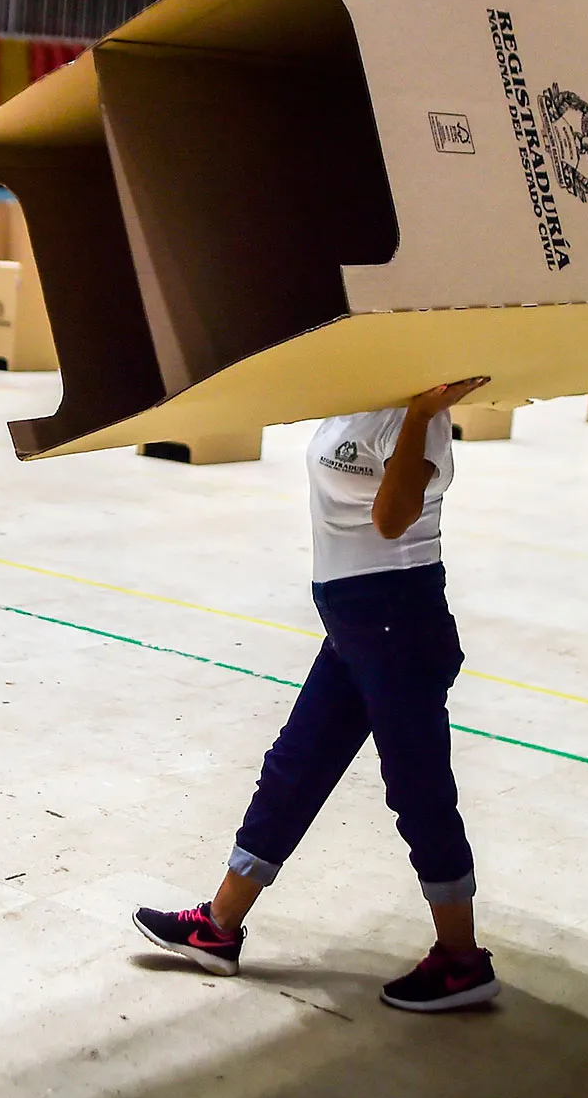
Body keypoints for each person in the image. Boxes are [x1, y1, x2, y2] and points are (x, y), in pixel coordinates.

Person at [134, 378, 499, 1013]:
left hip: (398, 621)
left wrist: (416, 415)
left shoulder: (425, 420)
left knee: (418, 790)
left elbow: (390, 521)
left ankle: (462, 960)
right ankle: (218, 928)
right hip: (354, 625)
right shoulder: (357, 387)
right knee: (294, 769)